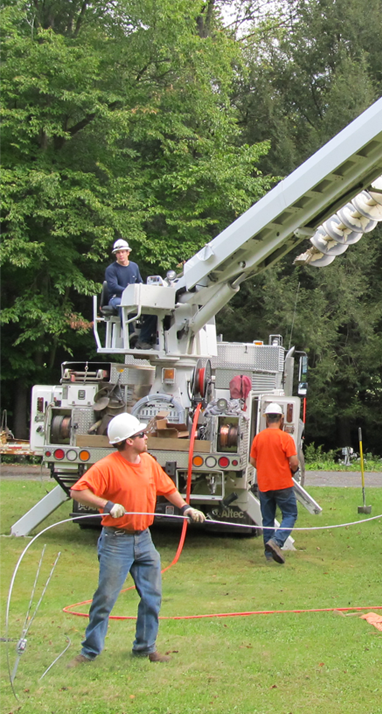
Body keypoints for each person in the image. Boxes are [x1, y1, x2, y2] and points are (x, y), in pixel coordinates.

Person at [68, 412, 206, 667]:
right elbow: (77, 491)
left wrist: (186, 508)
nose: (146, 437)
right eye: (141, 434)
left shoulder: (148, 462)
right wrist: (107, 505)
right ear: (129, 441)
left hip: (144, 540)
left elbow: (168, 488)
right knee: (105, 599)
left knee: (152, 596)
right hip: (116, 541)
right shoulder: (107, 467)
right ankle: (89, 651)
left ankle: (145, 648)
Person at [249, 402, 299, 564]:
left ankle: (269, 555)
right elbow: (294, 462)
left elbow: (252, 461)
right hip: (283, 483)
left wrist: (264, 469)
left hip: (264, 484)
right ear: (281, 418)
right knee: (290, 514)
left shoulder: (259, 437)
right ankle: (276, 542)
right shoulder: (285, 438)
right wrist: (291, 470)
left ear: (266, 419)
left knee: (268, 519)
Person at [105, 239, 156, 349]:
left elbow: (140, 282)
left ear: (128, 252)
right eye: (118, 253)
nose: (121, 255)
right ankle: (132, 335)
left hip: (134, 298)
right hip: (117, 298)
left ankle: (143, 340)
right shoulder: (111, 269)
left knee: (152, 312)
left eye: (123, 252)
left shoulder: (134, 266)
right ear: (115, 254)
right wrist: (129, 291)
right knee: (122, 306)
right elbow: (113, 286)